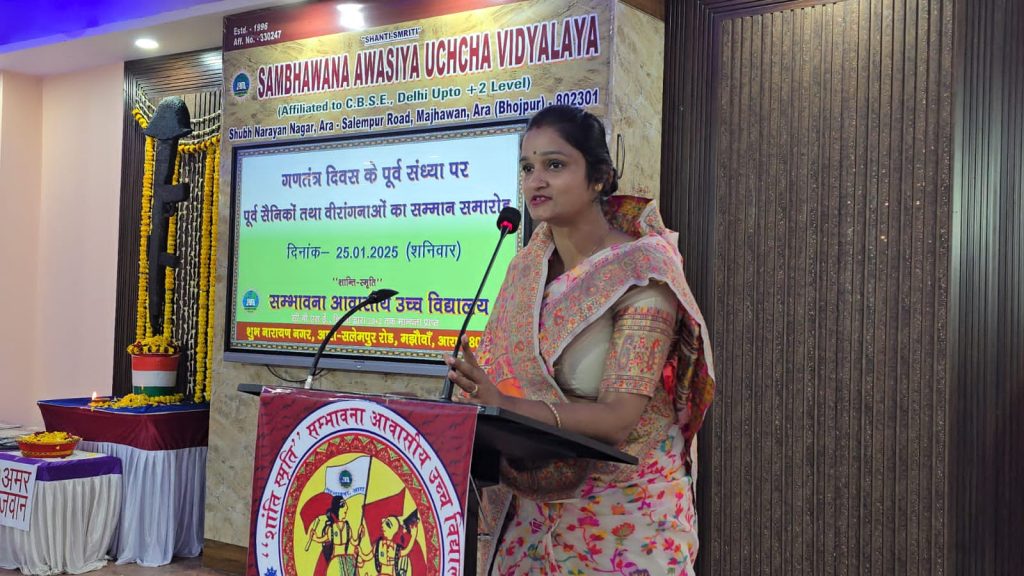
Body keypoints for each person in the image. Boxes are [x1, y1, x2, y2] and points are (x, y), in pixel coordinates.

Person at [445, 104, 716, 575]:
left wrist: (503, 406)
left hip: (625, 511)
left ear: (598, 179)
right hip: (533, 509)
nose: (536, 181)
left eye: (555, 165)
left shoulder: (641, 271)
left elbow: (617, 420)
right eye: (527, 168)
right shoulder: (525, 269)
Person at [306, 495, 357, 576]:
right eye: (344, 512)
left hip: (347, 560)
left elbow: (354, 542)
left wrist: (360, 534)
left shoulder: (347, 527)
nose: (345, 513)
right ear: (337, 510)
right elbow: (322, 539)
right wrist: (314, 537)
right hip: (336, 562)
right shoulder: (331, 529)